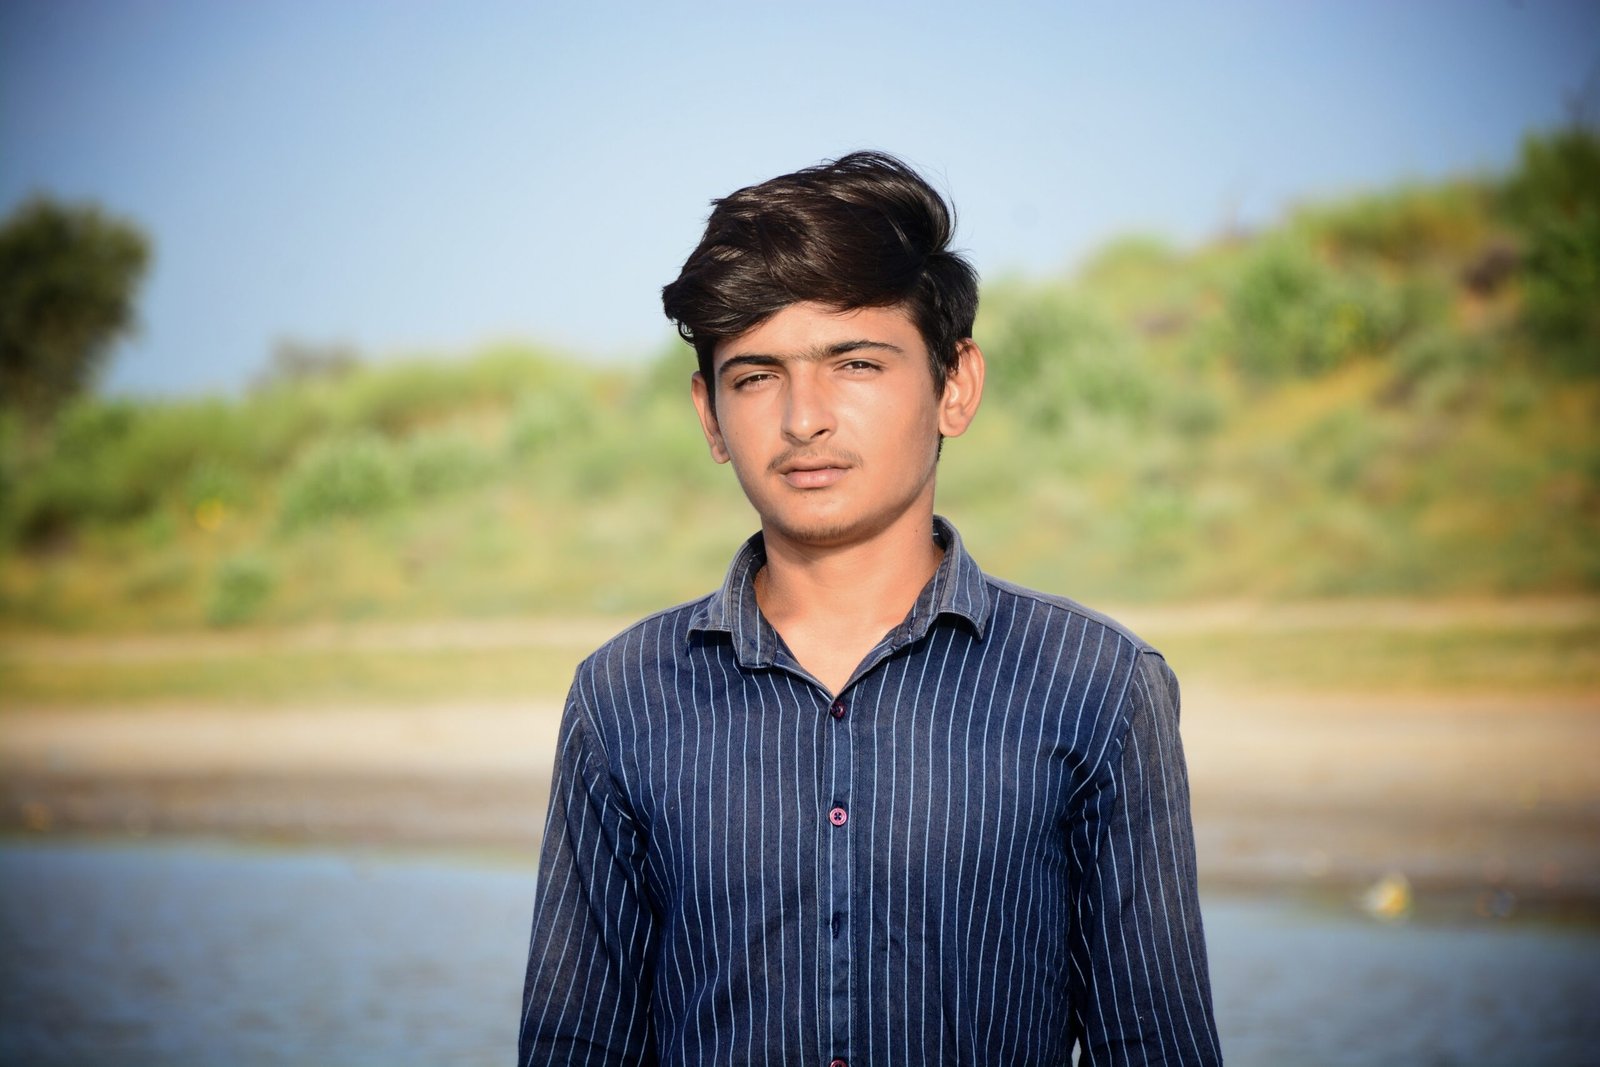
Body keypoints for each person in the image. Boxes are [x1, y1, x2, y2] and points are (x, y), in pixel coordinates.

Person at [519, 151, 1222, 1066]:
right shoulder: (623, 699)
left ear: (955, 384)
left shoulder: (1094, 685)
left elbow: (1155, 1043)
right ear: (709, 415)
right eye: (756, 375)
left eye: (854, 362)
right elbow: (576, 1047)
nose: (803, 417)